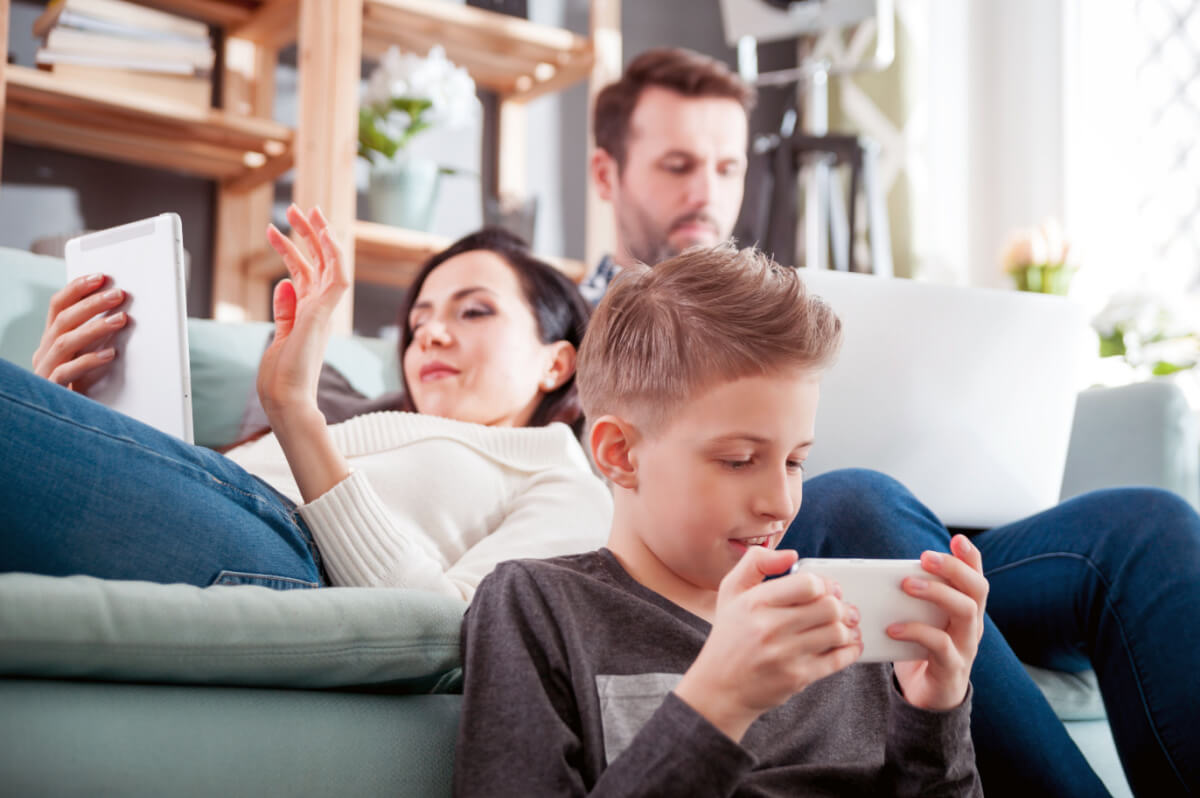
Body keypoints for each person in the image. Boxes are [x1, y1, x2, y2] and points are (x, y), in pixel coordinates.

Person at [581, 47, 1200, 797]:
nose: (706, 192)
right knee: (855, 503)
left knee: (1146, 527)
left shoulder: (794, 309)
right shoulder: (553, 316)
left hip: (915, 527)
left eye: (727, 167)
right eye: (679, 166)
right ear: (608, 175)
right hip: (802, 538)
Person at [455, 244, 986, 797]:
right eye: (738, 460)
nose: (781, 502)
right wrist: (717, 702)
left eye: (795, 461)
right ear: (619, 454)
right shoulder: (537, 605)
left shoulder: (835, 623)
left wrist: (935, 717)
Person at [0, 206, 611, 598]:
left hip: (279, 546)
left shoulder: (566, 481)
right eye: (420, 319)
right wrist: (65, 413)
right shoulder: (370, 426)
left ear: (557, 361)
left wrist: (295, 412)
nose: (431, 333)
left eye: (474, 310)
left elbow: (452, 630)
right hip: (214, 500)